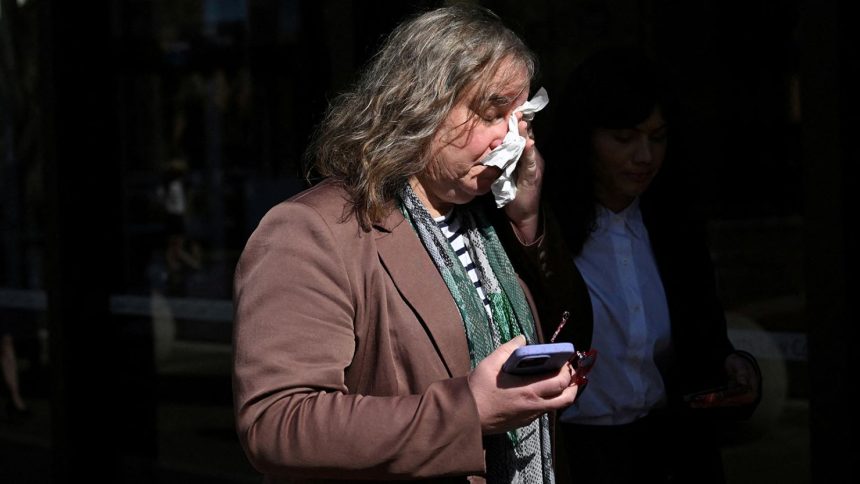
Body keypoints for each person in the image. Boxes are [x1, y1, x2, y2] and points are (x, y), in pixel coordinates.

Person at [232, 5, 581, 483]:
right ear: (422, 103)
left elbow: (574, 333)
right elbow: (277, 425)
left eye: (521, 117)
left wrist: (527, 220)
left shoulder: (490, 217)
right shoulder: (313, 230)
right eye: (493, 112)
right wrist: (466, 411)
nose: (512, 138)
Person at [541, 46, 762, 483]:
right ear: (585, 136)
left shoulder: (672, 229)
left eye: (657, 137)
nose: (644, 156)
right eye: (624, 138)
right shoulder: (545, 230)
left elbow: (704, 343)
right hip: (574, 455)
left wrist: (736, 368)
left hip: (669, 452)